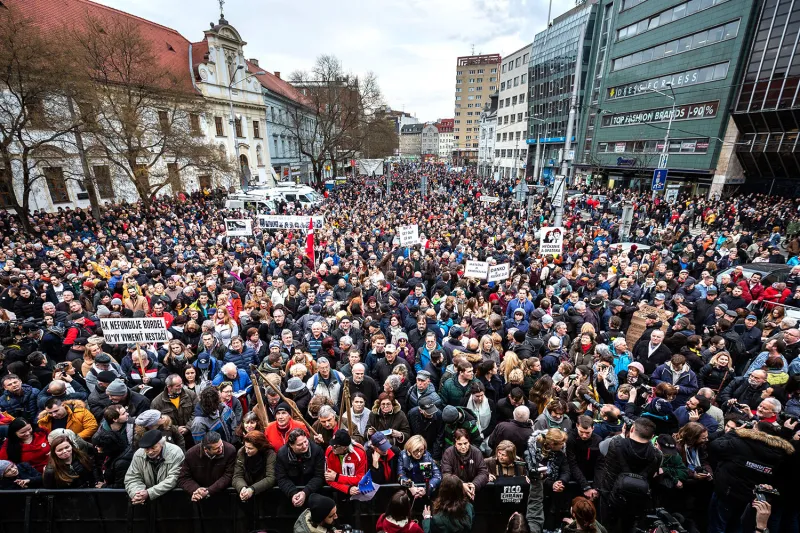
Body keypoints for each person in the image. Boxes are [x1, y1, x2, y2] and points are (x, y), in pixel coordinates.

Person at [707, 422, 794, 533]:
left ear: (757, 432)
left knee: (718, 526)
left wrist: (735, 432)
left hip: (726, 492)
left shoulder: (741, 444)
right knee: (736, 525)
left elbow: (715, 445)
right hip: (749, 495)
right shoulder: (779, 453)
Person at [597, 418, 662, 533]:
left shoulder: (615, 443)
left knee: (607, 528)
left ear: (631, 429)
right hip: (636, 499)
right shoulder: (657, 454)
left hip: (609, 496)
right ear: (652, 437)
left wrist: (622, 434)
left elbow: (602, 446)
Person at [124, 429, 185, 504]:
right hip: (146, 502)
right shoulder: (138, 454)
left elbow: (173, 478)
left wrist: (149, 493)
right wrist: (137, 493)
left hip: (171, 500)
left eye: (153, 448)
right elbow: (132, 477)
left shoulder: (175, 453)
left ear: (162, 444)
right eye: (146, 449)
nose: (150, 452)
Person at [178, 431, 236, 501]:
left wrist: (209, 491)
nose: (221, 449)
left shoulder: (230, 450)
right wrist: (196, 490)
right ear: (206, 449)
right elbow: (183, 478)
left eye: (221, 445)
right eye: (216, 448)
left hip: (223, 494)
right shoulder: (191, 454)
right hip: (200, 497)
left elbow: (228, 475)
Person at [275, 428, 326, 508]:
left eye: (305, 441)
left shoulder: (317, 450)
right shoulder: (282, 454)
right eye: (299, 445)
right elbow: (281, 478)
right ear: (291, 445)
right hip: (290, 493)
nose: (305, 446)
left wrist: (305, 492)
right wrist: (293, 493)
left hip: (314, 492)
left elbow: (319, 476)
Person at [441, 428, 489, 500]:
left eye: (465, 443)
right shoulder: (448, 453)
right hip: (454, 494)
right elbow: (446, 474)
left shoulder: (476, 452)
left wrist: (474, 485)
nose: (463, 447)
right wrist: (461, 484)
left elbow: (483, 472)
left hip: (473, 492)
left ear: (469, 442)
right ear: (455, 444)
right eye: (459, 444)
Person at [149, 374, 197, 445]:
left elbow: (197, 412)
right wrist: (176, 429)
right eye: (177, 386)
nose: (181, 387)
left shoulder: (191, 395)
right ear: (169, 387)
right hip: (171, 439)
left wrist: (187, 427)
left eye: (181, 384)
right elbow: (156, 422)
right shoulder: (156, 403)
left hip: (191, 434)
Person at [232, 430, 276, 502]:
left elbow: (271, 478)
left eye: (250, 448)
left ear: (259, 447)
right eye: (246, 447)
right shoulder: (241, 452)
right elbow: (237, 475)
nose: (246, 450)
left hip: (265, 494)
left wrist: (252, 489)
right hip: (246, 491)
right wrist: (242, 487)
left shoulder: (270, 454)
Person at [324, 428, 367, 496]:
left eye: (335, 446)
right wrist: (347, 489)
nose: (332, 448)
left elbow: (361, 478)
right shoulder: (329, 451)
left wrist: (337, 477)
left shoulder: (360, 452)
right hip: (338, 490)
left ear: (345, 447)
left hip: (357, 490)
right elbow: (329, 479)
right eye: (332, 444)